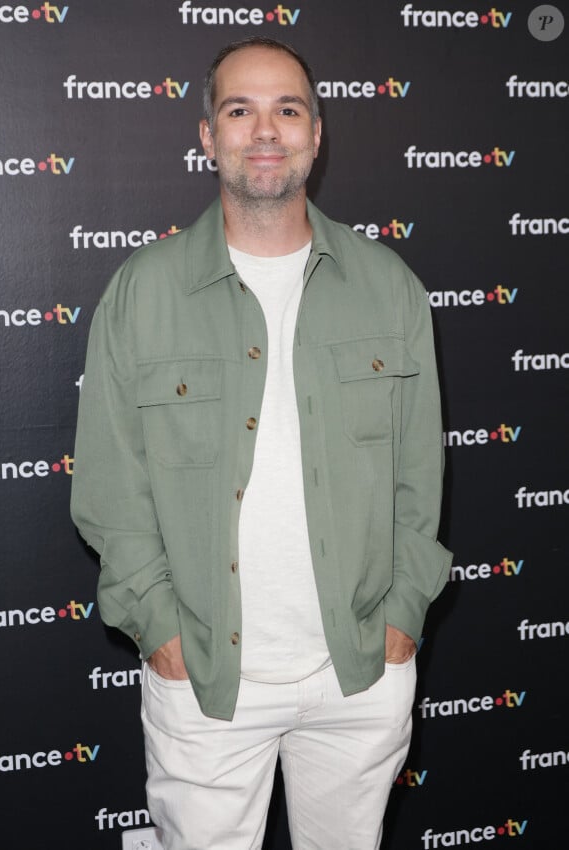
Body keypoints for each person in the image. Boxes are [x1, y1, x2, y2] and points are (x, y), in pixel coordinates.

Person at [71, 36, 452, 850]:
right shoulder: (142, 293)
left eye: (288, 109)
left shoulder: (391, 286)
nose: (266, 129)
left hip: (361, 675)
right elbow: (109, 487)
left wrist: (403, 614)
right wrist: (162, 630)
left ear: (318, 132)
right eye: (240, 110)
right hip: (205, 680)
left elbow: (422, 476)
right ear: (208, 136)